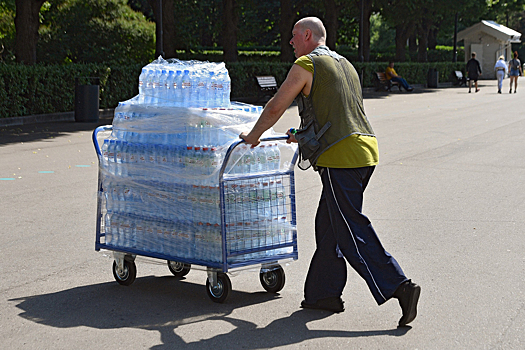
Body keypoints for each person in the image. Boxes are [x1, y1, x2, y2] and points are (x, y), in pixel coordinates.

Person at [239, 17, 420, 327]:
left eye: (294, 36)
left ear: (308, 35)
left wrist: (253, 136)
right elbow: (337, 112)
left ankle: (399, 286)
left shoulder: (307, 64)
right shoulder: (344, 63)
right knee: (329, 224)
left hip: (342, 157)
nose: (291, 43)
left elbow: (275, 106)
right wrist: (302, 132)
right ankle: (323, 295)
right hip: (363, 151)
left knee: (351, 229)